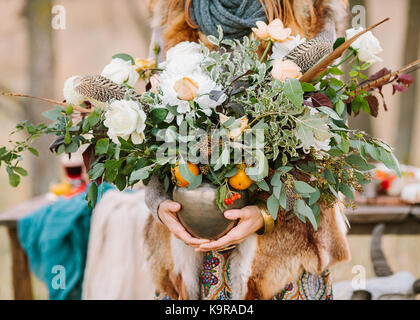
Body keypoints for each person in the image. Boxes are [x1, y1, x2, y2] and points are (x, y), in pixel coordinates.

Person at [143, 0, 351, 300]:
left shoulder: (312, 10)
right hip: (188, 253)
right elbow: (151, 121)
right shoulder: (174, 9)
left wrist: (270, 213)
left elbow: (324, 137)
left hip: (281, 256)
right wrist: (158, 203)